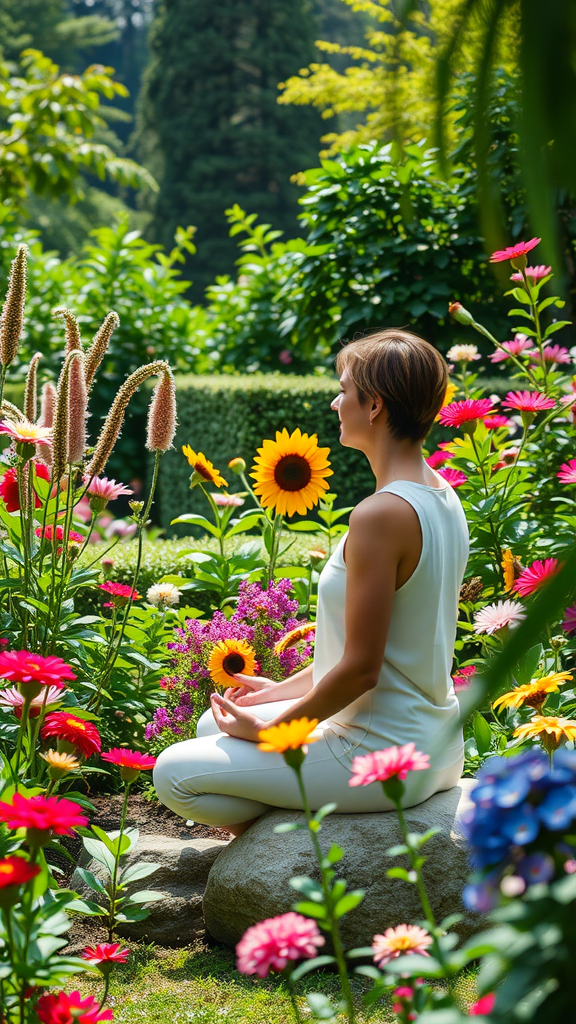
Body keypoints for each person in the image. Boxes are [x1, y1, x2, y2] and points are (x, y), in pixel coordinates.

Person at [153, 329, 468, 835]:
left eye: (344, 389)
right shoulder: (441, 495)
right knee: (213, 724)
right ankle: (302, 803)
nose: (334, 400)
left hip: (378, 753)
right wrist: (281, 690)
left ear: (374, 406)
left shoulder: (381, 516)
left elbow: (363, 670)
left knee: (173, 773)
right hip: (434, 740)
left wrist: (279, 727)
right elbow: (381, 654)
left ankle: (294, 842)